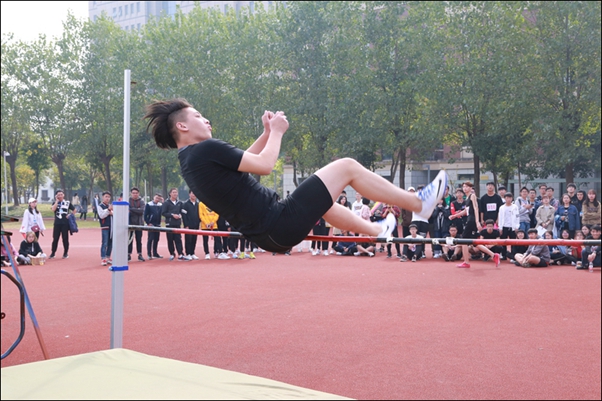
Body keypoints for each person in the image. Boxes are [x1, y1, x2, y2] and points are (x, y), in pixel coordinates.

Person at [144, 99, 446, 254]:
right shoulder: (205, 149)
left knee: (323, 201)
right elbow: (264, 165)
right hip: (279, 221)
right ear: (182, 126)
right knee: (347, 167)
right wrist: (277, 132)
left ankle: (375, 231)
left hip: (268, 235)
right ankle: (418, 204)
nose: (206, 119)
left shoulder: (189, 159)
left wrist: (265, 133)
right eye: (198, 116)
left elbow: (243, 162)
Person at [450, 181, 480, 268]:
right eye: (463, 187)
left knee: (463, 240)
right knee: (473, 242)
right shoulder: (467, 198)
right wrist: (455, 216)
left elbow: (476, 208)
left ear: (470, 188)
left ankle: (466, 262)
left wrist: (477, 221)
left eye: (467, 187)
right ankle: (493, 255)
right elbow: (465, 211)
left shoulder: (472, 196)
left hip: (472, 220)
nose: (465, 188)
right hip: (469, 219)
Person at [162, 188, 188, 261]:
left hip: (177, 224)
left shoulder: (180, 203)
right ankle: (172, 254)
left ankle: (180, 254)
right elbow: (163, 213)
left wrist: (180, 215)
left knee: (178, 239)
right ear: (170, 193)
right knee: (170, 240)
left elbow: (182, 211)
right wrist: (172, 215)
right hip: (169, 224)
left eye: (176, 192)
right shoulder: (166, 203)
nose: (175, 194)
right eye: (173, 192)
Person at [49, 189, 75, 259]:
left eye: (61, 194)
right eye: (58, 195)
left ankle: (65, 253)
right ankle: (53, 253)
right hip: (57, 224)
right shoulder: (55, 203)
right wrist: (56, 201)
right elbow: (53, 209)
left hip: (65, 224)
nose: (60, 196)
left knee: (65, 239)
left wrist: (70, 215)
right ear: (56, 196)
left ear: (63, 195)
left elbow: (74, 209)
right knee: (55, 239)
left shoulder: (67, 203)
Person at [497, 192, 519, 260]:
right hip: (504, 226)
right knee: (503, 241)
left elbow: (517, 217)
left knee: (513, 241)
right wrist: (500, 227)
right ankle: (504, 255)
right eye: (507, 198)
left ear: (512, 198)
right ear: (504, 198)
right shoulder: (502, 207)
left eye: (510, 198)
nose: (508, 199)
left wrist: (517, 226)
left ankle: (513, 255)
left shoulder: (515, 207)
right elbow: (500, 217)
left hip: (512, 227)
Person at [128, 187, 146, 262]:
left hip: (139, 223)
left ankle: (140, 254)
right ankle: (128, 254)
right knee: (129, 240)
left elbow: (141, 211)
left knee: (139, 240)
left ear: (138, 193)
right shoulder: (128, 201)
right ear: (131, 193)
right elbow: (127, 210)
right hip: (130, 223)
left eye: (136, 193)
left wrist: (132, 209)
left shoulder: (141, 201)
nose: (135, 194)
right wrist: (137, 210)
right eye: (133, 193)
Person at [144, 193, 164, 259]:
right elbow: (145, 215)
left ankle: (155, 253)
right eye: (156, 198)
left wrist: (163, 202)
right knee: (150, 239)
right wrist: (148, 223)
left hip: (158, 225)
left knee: (156, 239)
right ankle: (149, 254)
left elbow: (163, 212)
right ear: (153, 197)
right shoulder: (149, 204)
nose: (157, 199)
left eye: (159, 198)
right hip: (151, 224)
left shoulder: (160, 205)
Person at [98, 191, 113, 266]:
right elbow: (101, 215)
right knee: (105, 243)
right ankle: (103, 258)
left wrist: (110, 212)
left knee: (111, 243)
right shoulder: (100, 206)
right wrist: (108, 211)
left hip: (112, 227)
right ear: (103, 197)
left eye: (109, 197)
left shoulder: (110, 206)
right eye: (106, 197)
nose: (107, 198)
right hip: (105, 227)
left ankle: (108, 257)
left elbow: (114, 214)